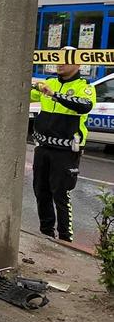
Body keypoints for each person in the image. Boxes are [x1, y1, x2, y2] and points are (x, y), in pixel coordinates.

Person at [30, 46, 96, 242]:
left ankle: (65, 238)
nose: (60, 63)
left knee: (61, 193)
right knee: (40, 191)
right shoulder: (49, 82)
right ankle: (46, 233)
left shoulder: (85, 87)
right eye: (58, 59)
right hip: (43, 147)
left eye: (66, 60)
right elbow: (24, 91)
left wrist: (55, 95)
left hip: (66, 150)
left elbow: (84, 106)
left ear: (78, 64)